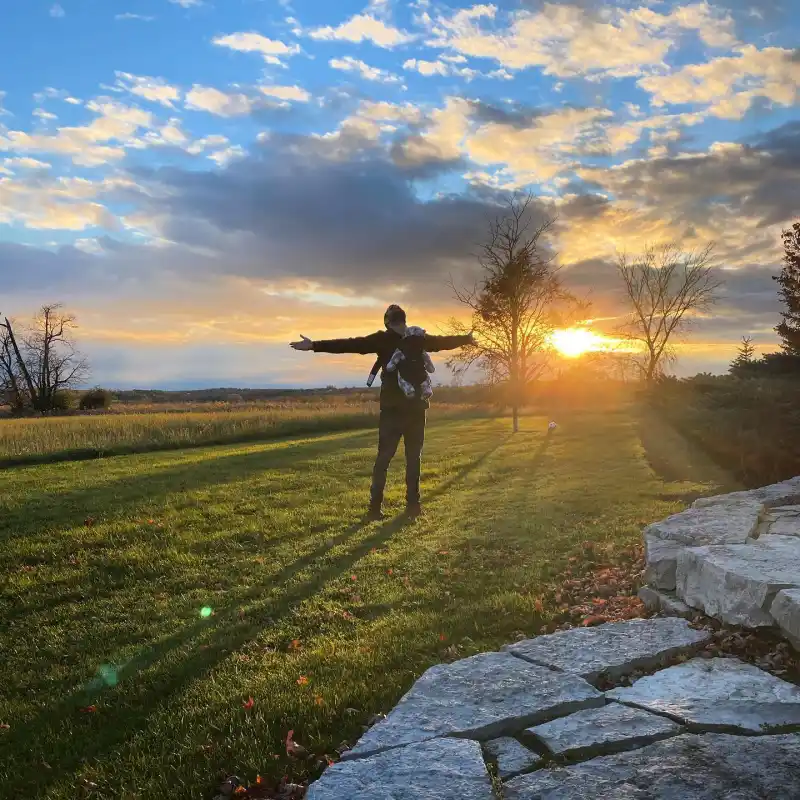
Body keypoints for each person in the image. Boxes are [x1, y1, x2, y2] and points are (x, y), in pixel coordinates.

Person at [290, 304, 473, 520]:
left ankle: (374, 510)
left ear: (387, 322)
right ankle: (413, 507)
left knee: (383, 460)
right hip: (416, 409)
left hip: (392, 410)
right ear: (404, 320)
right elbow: (443, 342)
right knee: (414, 458)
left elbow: (350, 344)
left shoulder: (381, 339)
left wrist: (314, 345)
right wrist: (466, 339)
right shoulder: (418, 338)